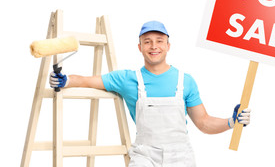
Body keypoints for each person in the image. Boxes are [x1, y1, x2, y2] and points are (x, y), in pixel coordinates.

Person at [50, 20, 251, 167]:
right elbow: (86, 80)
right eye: (147, 42)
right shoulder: (127, 79)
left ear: (168, 46)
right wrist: (65, 80)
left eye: (159, 41)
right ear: (140, 47)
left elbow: (204, 122)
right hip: (145, 157)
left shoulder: (185, 81)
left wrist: (231, 122)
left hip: (181, 158)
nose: (153, 46)